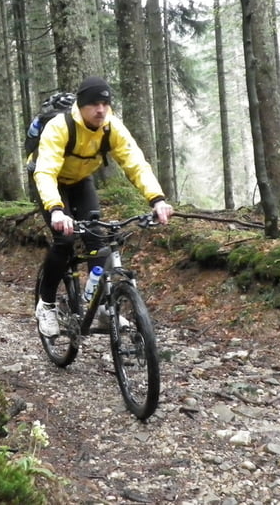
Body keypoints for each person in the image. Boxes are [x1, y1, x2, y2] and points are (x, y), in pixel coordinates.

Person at [29, 75, 173, 337]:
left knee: (99, 244)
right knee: (64, 239)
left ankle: (105, 309)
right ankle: (46, 304)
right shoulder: (60, 127)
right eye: (94, 104)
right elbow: (46, 171)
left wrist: (157, 199)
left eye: (105, 104)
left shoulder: (111, 127)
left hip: (81, 180)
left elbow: (136, 163)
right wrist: (56, 210)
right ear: (81, 106)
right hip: (51, 180)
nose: (101, 109)